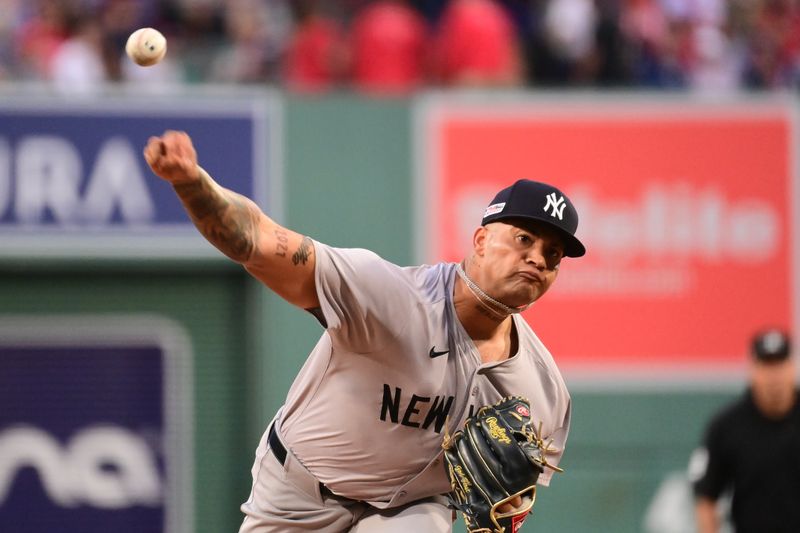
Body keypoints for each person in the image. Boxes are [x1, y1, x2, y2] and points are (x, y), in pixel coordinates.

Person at [143, 130, 585, 532]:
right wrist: (191, 182)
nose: (538, 259)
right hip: (299, 492)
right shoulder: (390, 297)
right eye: (524, 239)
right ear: (482, 240)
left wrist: (503, 517)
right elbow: (259, 240)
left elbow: (509, 507)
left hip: (408, 509)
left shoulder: (541, 390)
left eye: (553, 254)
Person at [690, 329, 800, 533]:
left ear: (792, 367)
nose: (774, 376)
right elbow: (706, 498)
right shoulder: (727, 426)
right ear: (752, 369)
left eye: (780, 365)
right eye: (766, 366)